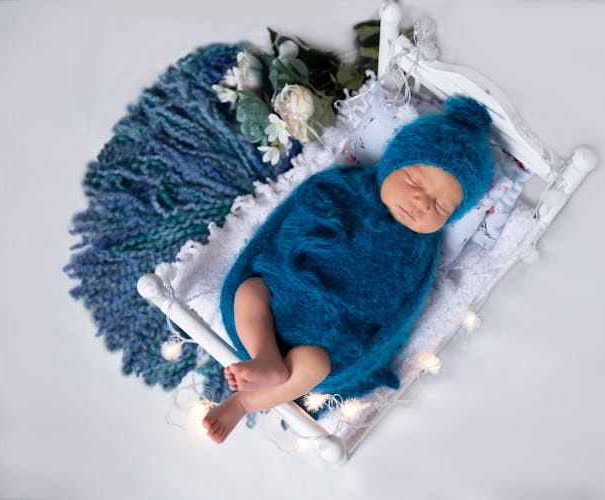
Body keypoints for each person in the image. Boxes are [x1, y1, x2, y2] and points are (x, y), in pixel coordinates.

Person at [203, 95, 494, 443]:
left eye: (440, 205)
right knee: (250, 291)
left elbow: (398, 314)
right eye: (415, 182)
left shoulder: (422, 253)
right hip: (284, 290)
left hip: (331, 338)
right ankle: (265, 355)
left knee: (315, 367)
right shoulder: (341, 185)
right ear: (393, 162)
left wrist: (368, 358)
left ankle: (244, 404)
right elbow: (287, 224)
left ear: (453, 216)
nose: (421, 202)